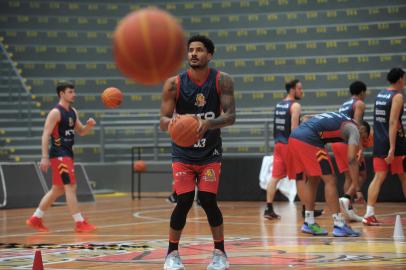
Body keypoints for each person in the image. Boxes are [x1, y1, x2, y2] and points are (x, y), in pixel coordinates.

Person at [160, 35, 236, 270]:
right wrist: (174, 124)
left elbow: (231, 116)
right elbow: (163, 120)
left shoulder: (222, 81)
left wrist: (208, 124)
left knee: (208, 200)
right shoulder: (174, 84)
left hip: (210, 153)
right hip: (183, 154)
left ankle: (220, 253)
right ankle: (172, 255)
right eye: (190, 50)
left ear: (209, 55)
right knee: (183, 201)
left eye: (199, 50)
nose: (193, 53)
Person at [26, 81, 96, 233]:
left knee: (57, 189)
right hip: (59, 154)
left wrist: (89, 126)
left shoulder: (73, 112)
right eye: (70, 92)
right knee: (71, 186)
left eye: (74, 91)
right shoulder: (55, 112)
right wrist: (44, 157)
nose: (74, 94)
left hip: (67, 154)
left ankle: (36, 218)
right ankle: (79, 222)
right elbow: (45, 134)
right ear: (61, 94)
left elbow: (81, 131)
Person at [288, 112, 369, 236]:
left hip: (294, 136)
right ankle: (339, 224)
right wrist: (357, 189)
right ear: (361, 129)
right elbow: (352, 160)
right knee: (330, 180)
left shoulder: (339, 116)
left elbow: (305, 117)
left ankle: (309, 222)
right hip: (310, 139)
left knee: (313, 178)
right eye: (363, 138)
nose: (361, 142)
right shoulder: (354, 130)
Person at [264, 80, 323, 219]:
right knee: (301, 177)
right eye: (299, 88)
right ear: (292, 90)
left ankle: (268, 208)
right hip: (289, 146)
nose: (301, 91)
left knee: (275, 177)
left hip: (278, 144)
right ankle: (306, 210)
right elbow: (294, 130)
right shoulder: (295, 105)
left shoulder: (279, 104)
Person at [363, 67, 406, 226]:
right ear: (400, 79)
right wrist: (393, 148)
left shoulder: (380, 94)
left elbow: (377, 121)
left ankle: (369, 214)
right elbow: (393, 122)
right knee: (404, 176)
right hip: (393, 143)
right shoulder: (397, 96)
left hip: (380, 143)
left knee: (378, 177)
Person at [330, 81, 368, 222]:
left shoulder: (344, 104)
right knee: (362, 174)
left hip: (336, 142)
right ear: (362, 92)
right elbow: (356, 126)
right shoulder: (359, 104)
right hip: (348, 143)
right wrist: (361, 149)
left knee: (348, 177)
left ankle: (349, 211)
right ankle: (346, 198)